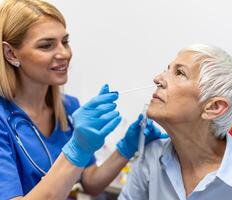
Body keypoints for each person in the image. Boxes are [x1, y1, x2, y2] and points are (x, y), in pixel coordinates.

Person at [0, 0, 167, 199]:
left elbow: (90, 182)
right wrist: (78, 147)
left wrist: (126, 148)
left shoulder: (68, 108)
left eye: (65, 42)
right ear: (11, 54)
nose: (64, 53)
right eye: (46, 45)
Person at [118, 44, 232, 200]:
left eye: (180, 73)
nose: (157, 78)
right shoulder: (151, 157)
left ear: (214, 107)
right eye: (167, 69)